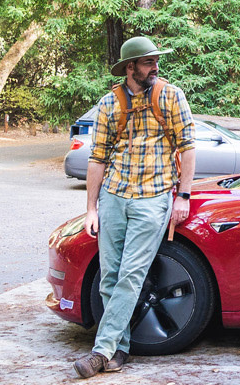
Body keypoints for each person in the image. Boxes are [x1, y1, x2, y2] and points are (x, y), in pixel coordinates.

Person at [72, 36, 197, 379]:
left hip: (153, 197)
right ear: (130, 68)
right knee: (108, 279)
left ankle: (100, 352)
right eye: (148, 62)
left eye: (156, 61)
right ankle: (119, 349)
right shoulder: (109, 103)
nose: (155, 67)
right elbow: (97, 158)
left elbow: (187, 148)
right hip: (114, 195)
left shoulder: (171, 96)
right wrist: (92, 208)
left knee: (131, 275)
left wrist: (183, 196)